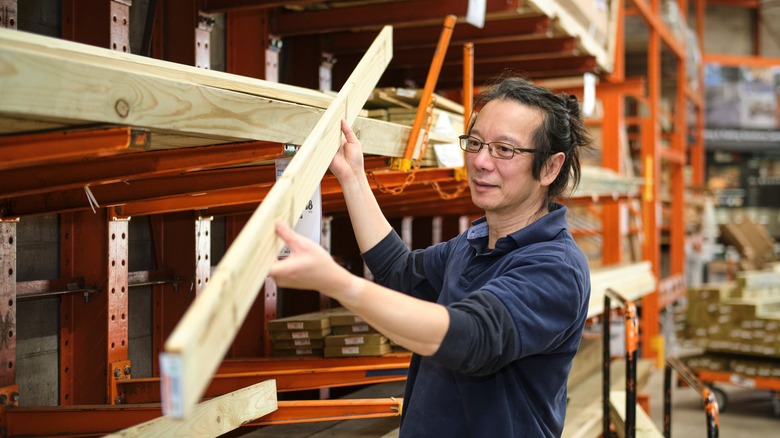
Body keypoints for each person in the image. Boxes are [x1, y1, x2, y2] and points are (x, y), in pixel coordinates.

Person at [269, 76, 592, 437]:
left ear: (550, 167)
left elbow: (470, 338)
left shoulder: (554, 268)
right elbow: (401, 273)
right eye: (476, 143)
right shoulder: (473, 243)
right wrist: (352, 176)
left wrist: (338, 283)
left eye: (505, 150)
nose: (481, 161)